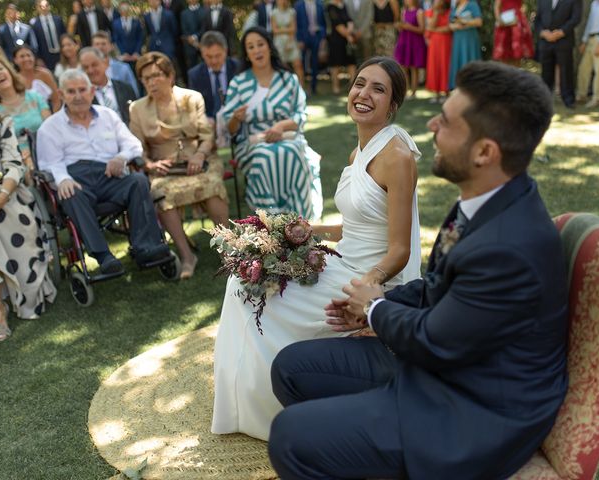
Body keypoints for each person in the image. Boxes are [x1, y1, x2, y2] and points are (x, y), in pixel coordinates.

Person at [269, 61, 569, 480]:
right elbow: (436, 286)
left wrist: (375, 310)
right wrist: (381, 300)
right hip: (444, 371)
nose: (431, 126)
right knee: (290, 367)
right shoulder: (483, 200)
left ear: (485, 152)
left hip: (471, 414)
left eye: (445, 122)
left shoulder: (508, 247)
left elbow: (435, 341)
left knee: (289, 437)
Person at [212, 56, 422, 441]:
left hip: (370, 278)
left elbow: (399, 248)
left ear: (393, 105)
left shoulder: (398, 157)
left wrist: (366, 289)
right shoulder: (358, 154)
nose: (364, 94)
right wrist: (310, 228)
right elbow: (358, 226)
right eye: (360, 83)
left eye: (378, 89)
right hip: (344, 261)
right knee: (244, 282)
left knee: (249, 289)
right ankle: (253, 401)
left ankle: (269, 407)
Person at [36, 69, 170, 275]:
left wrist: (121, 157)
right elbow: (49, 163)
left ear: (91, 91)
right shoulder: (50, 127)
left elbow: (133, 144)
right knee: (70, 193)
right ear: (62, 95)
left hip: (110, 176)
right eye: (71, 92)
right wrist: (62, 179)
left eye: (82, 90)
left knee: (138, 180)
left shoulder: (108, 115)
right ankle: (103, 256)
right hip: (76, 179)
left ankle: (146, 247)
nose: (78, 96)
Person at [130, 52, 229, 279]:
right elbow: (137, 148)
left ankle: (228, 252)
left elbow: (207, 135)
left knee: (212, 186)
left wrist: (200, 155)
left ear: (170, 75)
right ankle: (186, 256)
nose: (151, 82)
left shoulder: (191, 98)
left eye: (156, 75)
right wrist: (150, 164)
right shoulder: (137, 108)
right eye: (145, 78)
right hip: (164, 168)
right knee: (161, 193)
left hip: (200, 160)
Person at [221, 27, 323, 220]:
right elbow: (230, 128)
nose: (257, 50)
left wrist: (281, 126)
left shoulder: (288, 80)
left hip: (288, 136)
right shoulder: (238, 83)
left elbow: (301, 114)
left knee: (293, 152)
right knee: (264, 157)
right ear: (247, 54)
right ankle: (271, 222)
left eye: (260, 44)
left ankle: (301, 221)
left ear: (269, 47)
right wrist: (236, 118)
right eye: (251, 47)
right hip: (253, 142)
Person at [0, 112, 57, 341]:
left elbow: (14, 165)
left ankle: (7, 299)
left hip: (7, 195)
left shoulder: (1, 123)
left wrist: (1, 195)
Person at [0, 55, 50, 181]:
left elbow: (51, 130)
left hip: (46, 152)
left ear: (9, 71)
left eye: (0, 68)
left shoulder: (34, 97)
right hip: (16, 164)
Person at [534, 0, 582, 109]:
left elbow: (576, 18)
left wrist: (561, 32)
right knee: (546, 72)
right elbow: (537, 19)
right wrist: (542, 32)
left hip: (564, 41)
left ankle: (568, 99)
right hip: (545, 41)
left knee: (566, 71)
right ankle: (544, 99)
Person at [187, 31, 240, 120]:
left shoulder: (238, 68)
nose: (214, 61)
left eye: (218, 56)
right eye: (209, 57)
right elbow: (194, 108)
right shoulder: (195, 75)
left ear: (225, 51)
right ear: (202, 54)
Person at [79, 47, 137, 123]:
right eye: (85, 67)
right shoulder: (81, 96)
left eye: (94, 65)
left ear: (105, 64)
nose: (90, 70)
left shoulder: (125, 88)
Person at [13, 45, 61, 112]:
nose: (26, 59)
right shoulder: (15, 79)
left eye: (29, 55)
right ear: (15, 60)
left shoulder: (45, 74)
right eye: (22, 56)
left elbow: (56, 100)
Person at [91, 30, 139, 97]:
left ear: (111, 46)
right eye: (97, 44)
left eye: (103, 44)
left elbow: (134, 91)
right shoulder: (88, 70)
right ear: (92, 47)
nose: (100, 47)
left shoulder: (123, 68)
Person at [394, 0, 426, 96]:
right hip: (404, 41)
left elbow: (422, 29)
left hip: (415, 42)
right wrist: (400, 26)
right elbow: (402, 26)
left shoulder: (419, 12)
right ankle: (405, 90)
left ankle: (414, 91)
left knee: (414, 67)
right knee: (403, 67)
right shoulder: (404, 11)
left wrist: (409, 27)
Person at [448, 0, 482, 90]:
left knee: (469, 61)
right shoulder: (455, 7)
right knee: (458, 61)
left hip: (469, 39)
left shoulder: (472, 4)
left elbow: (479, 22)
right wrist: (455, 26)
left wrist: (463, 22)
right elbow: (450, 24)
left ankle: (472, 87)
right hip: (458, 39)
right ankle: (458, 88)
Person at [294, 0, 326, 95]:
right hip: (303, 38)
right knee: (302, 63)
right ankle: (302, 88)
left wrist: (323, 38)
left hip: (317, 36)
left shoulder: (320, 4)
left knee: (315, 62)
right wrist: (299, 39)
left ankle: (313, 87)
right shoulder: (298, 5)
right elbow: (296, 23)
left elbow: (323, 23)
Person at [326, 0, 357, 95]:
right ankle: (336, 87)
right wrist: (348, 35)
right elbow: (337, 24)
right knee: (336, 64)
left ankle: (353, 86)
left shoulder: (344, 5)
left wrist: (349, 33)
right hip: (336, 40)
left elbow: (349, 20)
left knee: (351, 63)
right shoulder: (330, 7)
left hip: (347, 40)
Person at [271, 0, 305, 86]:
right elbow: (274, 30)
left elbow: (293, 29)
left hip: (291, 40)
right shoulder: (274, 13)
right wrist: (287, 29)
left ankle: (301, 87)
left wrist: (281, 29)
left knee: (298, 64)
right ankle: (285, 88)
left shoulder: (291, 12)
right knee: (282, 66)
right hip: (279, 42)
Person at [425, 0, 452, 103]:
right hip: (434, 44)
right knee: (435, 65)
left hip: (446, 43)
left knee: (445, 66)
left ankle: (446, 93)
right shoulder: (431, 12)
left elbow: (448, 29)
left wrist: (435, 30)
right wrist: (436, 13)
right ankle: (436, 94)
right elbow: (430, 26)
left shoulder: (450, 12)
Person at [492, 0, 534, 65]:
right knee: (504, 53)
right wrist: (499, 20)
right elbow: (496, 6)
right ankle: (505, 73)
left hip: (517, 21)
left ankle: (515, 73)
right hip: (504, 22)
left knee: (517, 53)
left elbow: (523, 5)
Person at [30, 0, 67, 71]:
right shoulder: (34, 24)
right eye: (41, 6)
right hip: (45, 57)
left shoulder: (58, 20)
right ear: (38, 8)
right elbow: (34, 43)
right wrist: (38, 58)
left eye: (46, 5)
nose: (44, 8)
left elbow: (64, 36)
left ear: (49, 6)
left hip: (61, 54)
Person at [112, 1, 144, 70]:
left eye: (126, 8)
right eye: (123, 8)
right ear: (119, 10)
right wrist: (123, 52)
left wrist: (136, 51)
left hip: (135, 55)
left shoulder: (136, 21)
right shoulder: (116, 23)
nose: (125, 10)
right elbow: (116, 39)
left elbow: (140, 37)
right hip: (123, 56)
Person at [345, 0, 374, 65]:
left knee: (367, 58)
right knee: (353, 59)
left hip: (365, 33)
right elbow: (346, 16)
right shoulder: (346, 1)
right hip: (351, 34)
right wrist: (353, 31)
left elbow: (369, 16)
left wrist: (361, 31)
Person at [180, 0, 205, 70]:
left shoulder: (204, 11)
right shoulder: (184, 13)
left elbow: (205, 27)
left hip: (203, 43)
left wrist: (195, 37)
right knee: (192, 68)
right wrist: (192, 40)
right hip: (189, 45)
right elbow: (184, 29)